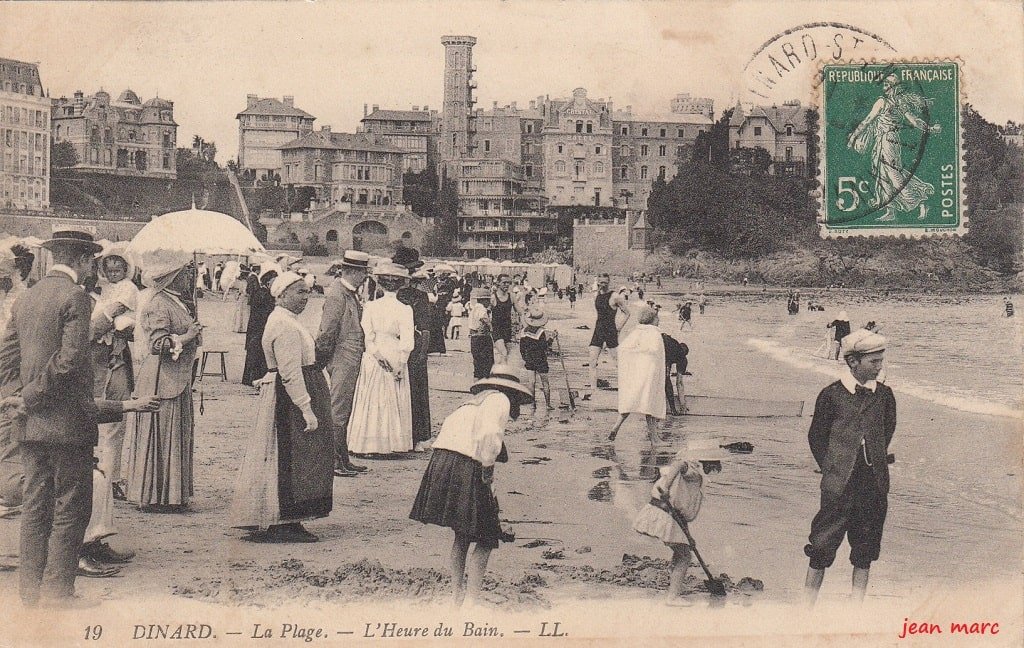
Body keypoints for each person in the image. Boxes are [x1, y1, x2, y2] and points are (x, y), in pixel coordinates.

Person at [0, 229, 103, 607]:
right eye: (92, 260)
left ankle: (29, 592)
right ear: (83, 260)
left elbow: (6, 360)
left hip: (28, 426)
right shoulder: (76, 296)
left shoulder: (26, 297)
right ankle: (59, 592)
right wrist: (28, 397)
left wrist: (16, 400)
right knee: (70, 508)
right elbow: (69, 362)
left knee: (34, 508)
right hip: (67, 425)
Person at [409, 365, 533, 607]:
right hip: (466, 463)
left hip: (442, 463)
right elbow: (489, 436)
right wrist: (488, 471)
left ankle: (456, 597)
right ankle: (473, 602)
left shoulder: (473, 403)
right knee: (487, 539)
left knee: (462, 534)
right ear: (511, 391)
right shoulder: (500, 400)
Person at [0, 393, 159, 577]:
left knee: (98, 473)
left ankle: (92, 543)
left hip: (30, 464)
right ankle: (75, 555)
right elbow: (75, 409)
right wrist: (128, 405)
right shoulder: (15, 398)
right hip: (13, 473)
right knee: (89, 479)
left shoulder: (24, 393)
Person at [230, 273, 334, 543]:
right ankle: (282, 519)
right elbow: (289, 372)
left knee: (298, 457)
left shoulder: (288, 321)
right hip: (288, 398)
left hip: (294, 390)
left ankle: (291, 517)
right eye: (299, 292)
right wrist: (306, 407)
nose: (305, 297)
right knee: (288, 455)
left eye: (307, 292)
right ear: (281, 294)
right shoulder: (284, 325)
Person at [804, 329, 896, 606]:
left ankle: (855, 609)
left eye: (881, 361)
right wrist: (834, 466)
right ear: (853, 362)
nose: (879, 367)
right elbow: (816, 437)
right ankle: (806, 608)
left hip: (873, 483)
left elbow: (886, 431)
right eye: (874, 362)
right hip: (838, 485)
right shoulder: (830, 395)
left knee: (866, 547)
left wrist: (873, 459)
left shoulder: (885, 395)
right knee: (821, 545)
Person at [124, 255, 201, 512]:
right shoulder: (158, 303)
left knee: (174, 436)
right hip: (161, 380)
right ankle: (156, 496)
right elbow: (158, 345)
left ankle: (171, 495)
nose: (190, 276)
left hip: (175, 379)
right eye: (185, 272)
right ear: (172, 276)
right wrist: (188, 336)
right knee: (162, 437)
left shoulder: (176, 301)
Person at [847, 73, 941, 222]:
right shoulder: (898, 102)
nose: (885, 86)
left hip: (887, 141)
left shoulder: (884, 102)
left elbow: (867, 120)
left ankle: (920, 201)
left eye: (888, 84)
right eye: (884, 84)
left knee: (893, 175)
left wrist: (853, 136)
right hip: (886, 140)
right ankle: (890, 211)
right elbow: (915, 121)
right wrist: (930, 129)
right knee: (882, 174)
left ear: (894, 87)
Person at [347, 263, 415, 456]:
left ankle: (367, 444)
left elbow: (367, 335)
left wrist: (376, 355)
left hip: (374, 353)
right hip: (394, 350)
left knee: (371, 397)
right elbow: (407, 340)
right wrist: (401, 363)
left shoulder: (370, 306)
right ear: (401, 285)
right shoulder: (405, 309)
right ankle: (391, 443)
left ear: (381, 284)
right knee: (391, 396)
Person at [314, 251, 370, 477]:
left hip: (348, 355)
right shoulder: (338, 294)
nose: (365, 277)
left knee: (344, 409)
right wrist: (322, 359)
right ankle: (335, 461)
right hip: (342, 356)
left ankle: (343, 457)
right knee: (338, 410)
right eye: (363, 272)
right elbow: (327, 331)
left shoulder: (347, 292)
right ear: (353, 272)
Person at [633, 448, 709, 603]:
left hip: (667, 514)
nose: (716, 468)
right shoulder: (693, 471)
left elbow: (681, 511)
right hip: (665, 514)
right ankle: (672, 596)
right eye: (715, 464)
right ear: (707, 461)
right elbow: (678, 464)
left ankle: (674, 581)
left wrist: (688, 536)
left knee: (682, 550)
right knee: (685, 556)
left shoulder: (695, 473)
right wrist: (666, 487)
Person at [609, 306, 666, 446]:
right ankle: (654, 439)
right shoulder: (654, 333)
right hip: (651, 372)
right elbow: (655, 350)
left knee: (631, 400)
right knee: (650, 405)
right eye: (657, 318)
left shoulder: (636, 331)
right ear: (653, 320)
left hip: (636, 374)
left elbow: (623, 349)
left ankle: (616, 427)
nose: (658, 320)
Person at [394, 249, 433, 452]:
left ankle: (418, 436)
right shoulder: (390, 294)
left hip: (415, 346)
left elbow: (426, 327)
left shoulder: (420, 296)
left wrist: (421, 353)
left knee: (416, 390)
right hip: (395, 346)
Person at [585, 274, 630, 400]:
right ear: (598, 282)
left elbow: (627, 313)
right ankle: (593, 391)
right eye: (600, 282)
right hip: (598, 330)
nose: (602, 285)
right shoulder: (597, 294)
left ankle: (626, 389)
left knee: (617, 362)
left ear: (609, 282)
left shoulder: (615, 296)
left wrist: (618, 328)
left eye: (605, 282)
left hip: (610, 331)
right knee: (592, 361)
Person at [242, 264, 279, 386]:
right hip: (259, 328)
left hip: (258, 328)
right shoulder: (263, 294)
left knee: (258, 353)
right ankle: (254, 378)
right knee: (257, 353)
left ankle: (253, 377)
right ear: (268, 282)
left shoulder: (264, 293)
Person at [519, 310, 556, 418]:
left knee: (532, 382)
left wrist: (525, 358)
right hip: (540, 359)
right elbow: (545, 347)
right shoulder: (541, 332)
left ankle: (532, 403)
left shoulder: (523, 331)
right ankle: (548, 404)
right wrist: (552, 338)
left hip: (529, 359)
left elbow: (521, 348)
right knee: (545, 382)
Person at [490, 274, 524, 365]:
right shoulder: (493, 297)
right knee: (503, 353)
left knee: (506, 355)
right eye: (504, 283)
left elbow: (520, 312)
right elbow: (486, 313)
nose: (506, 285)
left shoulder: (512, 296)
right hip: (496, 328)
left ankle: (497, 372)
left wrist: (527, 322)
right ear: (498, 283)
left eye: (508, 283)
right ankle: (502, 377)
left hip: (508, 329)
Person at [467, 288, 494, 380]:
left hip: (474, 337)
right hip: (482, 337)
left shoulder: (473, 308)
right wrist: (491, 327)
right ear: (484, 300)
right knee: (487, 362)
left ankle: (476, 381)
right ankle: (484, 382)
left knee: (477, 362)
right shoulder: (481, 308)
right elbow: (484, 318)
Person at [662, 333, 689, 416]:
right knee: (666, 378)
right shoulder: (680, 356)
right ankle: (673, 410)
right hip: (661, 346)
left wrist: (682, 404)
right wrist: (682, 404)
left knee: (665, 378)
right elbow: (679, 383)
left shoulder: (680, 355)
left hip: (660, 346)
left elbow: (679, 382)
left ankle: (673, 410)